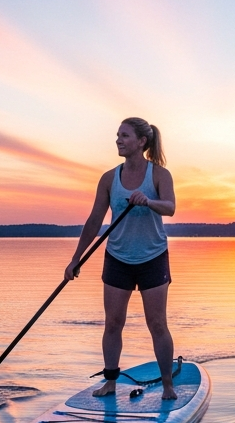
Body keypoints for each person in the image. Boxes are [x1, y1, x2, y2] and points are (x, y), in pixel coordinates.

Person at [64, 117, 177, 399]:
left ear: (141, 141)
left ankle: (167, 386)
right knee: (113, 323)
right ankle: (110, 382)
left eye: (124, 136)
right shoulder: (108, 179)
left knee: (157, 324)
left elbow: (171, 208)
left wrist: (148, 201)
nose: (118, 140)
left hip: (152, 257)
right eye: (117, 135)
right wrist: (75, 259)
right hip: (117, 258)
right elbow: (93, 221)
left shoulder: (160, 175)